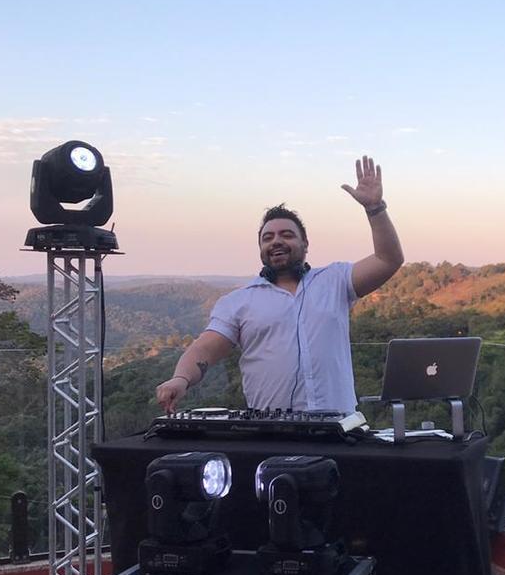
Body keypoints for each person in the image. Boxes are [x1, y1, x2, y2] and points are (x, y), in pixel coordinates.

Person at [154, 155, 403, 414]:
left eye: (287, 235)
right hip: (271, 428)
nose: (276, 241)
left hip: (339, 424)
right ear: (261, 248)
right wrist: (181, 378)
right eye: (268, 238)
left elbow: (388, 259)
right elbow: (204, 349)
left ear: (305, 244)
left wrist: (375, 209)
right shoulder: (238, 302)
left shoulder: (335, 280)